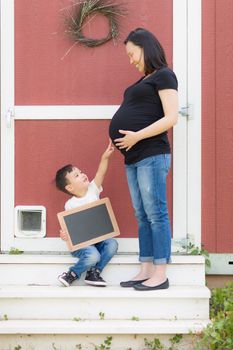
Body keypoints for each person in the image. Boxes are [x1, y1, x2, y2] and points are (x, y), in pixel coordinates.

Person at [109, 28, 178, 291]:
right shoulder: (144, 81)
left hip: (151, 154)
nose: (131, 61)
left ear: (145, 47)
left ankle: (160, 273)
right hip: (134, 157)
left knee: (156, 213)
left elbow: (171, 117)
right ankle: (146, 268)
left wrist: (136, 135)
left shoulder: (164, 75)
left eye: (132, 54)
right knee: (142, 215)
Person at [55, 141, 118, 287]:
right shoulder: (70, 204)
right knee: (93, 255)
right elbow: (69, 228)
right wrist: (64, 235)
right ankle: (72, 274)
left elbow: (101, 172)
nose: (82, 174)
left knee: (112, 244)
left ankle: (94, 273)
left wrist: (105, 157)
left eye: (81, 172)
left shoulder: (93, 189)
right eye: (76, 175)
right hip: (82, 246)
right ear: (70, 187)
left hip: (99, 239)